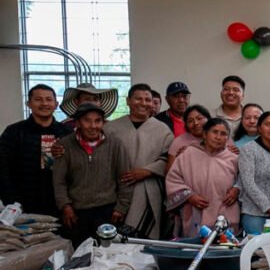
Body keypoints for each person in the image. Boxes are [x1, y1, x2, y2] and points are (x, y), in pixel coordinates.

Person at [52, 103, 132, 246]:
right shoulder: (64, 145)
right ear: (78, 123)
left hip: (107, 211)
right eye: (87, 120)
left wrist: (121, 207)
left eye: (97, 121)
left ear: (103, 122)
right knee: (79, 255)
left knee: (107, 255)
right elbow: (59, 181)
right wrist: (65, 206)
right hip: (76, 213)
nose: (93, 125)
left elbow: (124, 178)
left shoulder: (115, 144)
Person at [106, 83, 173, 239]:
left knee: (145, 237)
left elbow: (169, 157)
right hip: (117, 189)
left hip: (149, 188)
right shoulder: (111, 128)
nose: (143, 103)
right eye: (138, 99)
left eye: (147, 99)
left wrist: (147, 171)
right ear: (128, 101)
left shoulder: (162, 129)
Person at [0, 84, 72, 217]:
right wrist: (11, 200)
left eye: (49, 99)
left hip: (60, 203)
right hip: (22, 203)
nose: (44, 103)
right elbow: (2, 168)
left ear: (56, 104)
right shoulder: (14, 132)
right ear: (29, 103)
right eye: (38, 99)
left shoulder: (67, 132)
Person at [165, 117, 240, 237]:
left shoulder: (234, 158)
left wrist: (237, 189)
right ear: (205, 134)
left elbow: (243, 180)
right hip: (196, 211)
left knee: (223, 249)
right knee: (195, 250)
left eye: (223, 134)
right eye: (214, 132)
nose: (218, 137)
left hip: (226, 212)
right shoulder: (188, 154)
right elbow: (173, 179)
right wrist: (190, 196)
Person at [237, 111, 270, 235]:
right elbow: (248, 183)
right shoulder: (248, 149)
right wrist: (269, 207)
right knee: (259, 251)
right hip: (255, 213)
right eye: (267, 124)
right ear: (259, 128)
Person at [167, 105, 212, 172]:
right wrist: (179, 160)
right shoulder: (179, 142)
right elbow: (169, 172)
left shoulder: (220, 136)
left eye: (199, 118)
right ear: (186, 125)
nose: (196, 123)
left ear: (208, 119)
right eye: (190, 121)